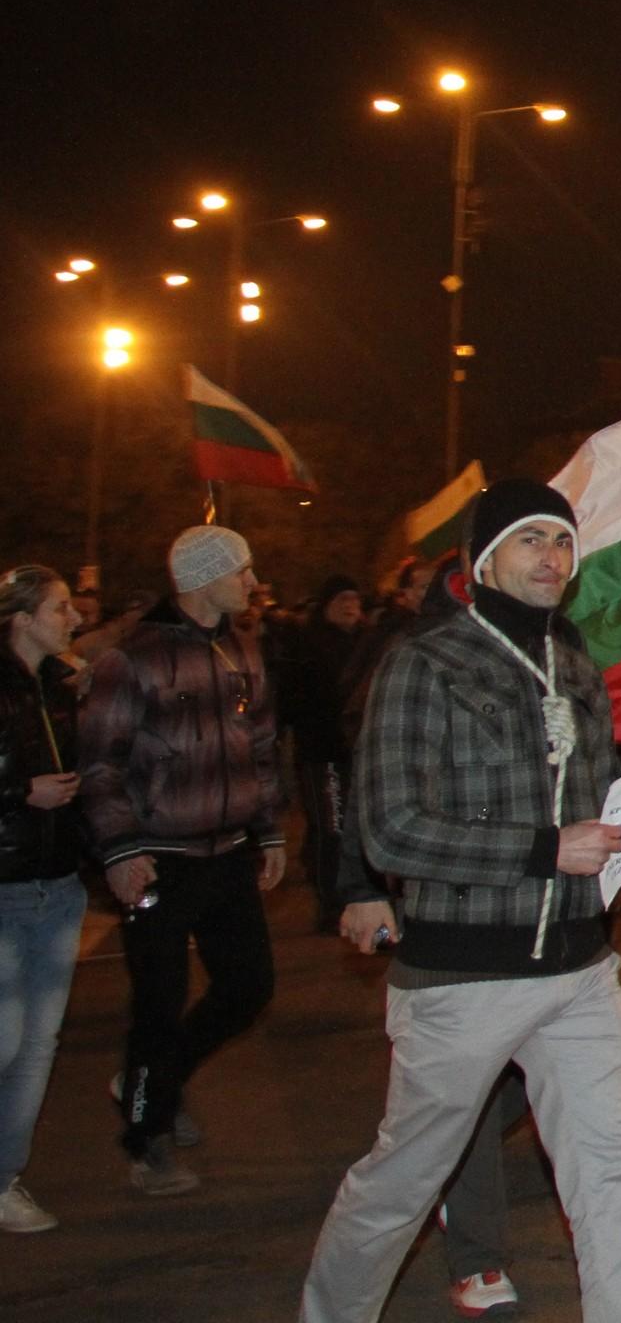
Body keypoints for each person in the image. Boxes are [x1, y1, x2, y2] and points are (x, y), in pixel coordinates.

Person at [299, 479, 621, 1323]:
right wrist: (540, 850)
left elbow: (586, 807)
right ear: (481, 560)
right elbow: (391, 830)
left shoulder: (574, 657)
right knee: (404, 1179)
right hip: (463, 977)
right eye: (530, 541)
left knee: (614, 1177)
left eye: (561, 542)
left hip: (580, 968)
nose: (551, 559)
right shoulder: (423, 662)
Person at [318, 554, 527, 1319]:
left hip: (543, 911)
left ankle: (442, 1163)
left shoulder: (546, 655)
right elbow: (374, 784)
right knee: (467, 1088)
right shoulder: (413, 659)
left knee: (522, 1084)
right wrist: (361, 887)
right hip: (451, 912)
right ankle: (476, 1253)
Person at [76, 523, 285, 1195]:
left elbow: (259, 746)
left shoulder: (242, 648)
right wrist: (121, 850)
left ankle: (151, 1081)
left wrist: (270, 831)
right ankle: (147, 1138)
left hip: (226, 853)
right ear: (201, 579)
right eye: (242, 571)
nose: (253, 583)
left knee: (247, 985)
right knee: (159, 1003)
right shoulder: (133, 658)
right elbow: (100, 764)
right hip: (158, 857)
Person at [2, 567, 90, 1235]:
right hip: (3, 887)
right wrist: (18, 793)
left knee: (39, 1044)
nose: (74, 617)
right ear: (23, 617)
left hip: (59, 884)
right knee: (5, 1039)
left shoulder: (63, 687)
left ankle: (5, 1178)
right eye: (60, 608)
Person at [281, 574, 367, 935]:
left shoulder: (367, 642)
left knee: (356, 827)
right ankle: (330, 903)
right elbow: (292, 698)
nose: (349, 607)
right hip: (323, 753)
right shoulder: (308, 644)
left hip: (358, 753)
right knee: (331, 828)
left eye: (354, 599)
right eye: (341, 601)